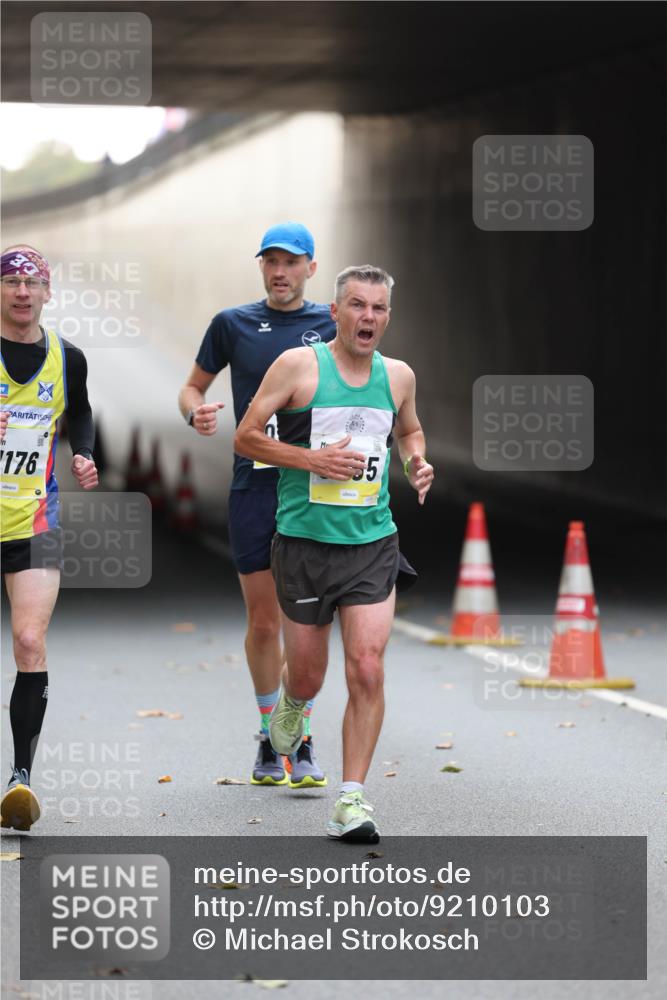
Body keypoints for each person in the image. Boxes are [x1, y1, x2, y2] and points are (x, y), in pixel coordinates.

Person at [234, 264, 434, 841]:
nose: (367, 317)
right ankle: (292, 706)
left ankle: (352, 800)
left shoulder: (398, 377)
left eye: (378, 308)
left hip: (372, 542)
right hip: (303, 545)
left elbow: (410, 431)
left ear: (387, 317)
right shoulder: (300, 367)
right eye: (356, 305)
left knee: (367, 667)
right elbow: (246, 437)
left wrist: (416, 463)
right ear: (335, 311)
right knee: (311, 675)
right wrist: (310, 460)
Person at [178, 223, 335, 787]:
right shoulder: (233, 323)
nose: (279, 271)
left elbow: (364, 386)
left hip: (314, 490)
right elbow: (192, 387)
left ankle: (301, 739)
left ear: (310, 268)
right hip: (255, 485)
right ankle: (272, 737)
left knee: (305, 625)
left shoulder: (332, 324)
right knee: (266, 622)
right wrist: (194, 411)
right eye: (270, 261)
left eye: (291, 262)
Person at [0, 245, 98, 831]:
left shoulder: (69, 357)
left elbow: (81, 413)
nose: (20, 291)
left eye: (31, 282)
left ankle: (19, 779)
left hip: (35, 518)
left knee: (29, 640)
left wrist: (83, 452)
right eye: (10, 281)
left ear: (47, 292)